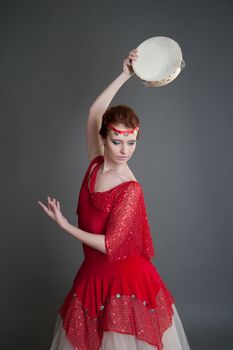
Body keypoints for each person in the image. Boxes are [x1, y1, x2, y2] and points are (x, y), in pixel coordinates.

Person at [38, 49, 191, 350]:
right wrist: (125, 74)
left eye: (131, 142)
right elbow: (96, 112)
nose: (124, 150)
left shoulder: (129, 188)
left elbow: (110, 244)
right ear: (104, 139)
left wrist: (65, 225)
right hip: (94, 277)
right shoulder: (95, 163)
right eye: (117, 141)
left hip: (127, 282)